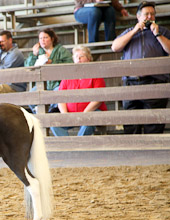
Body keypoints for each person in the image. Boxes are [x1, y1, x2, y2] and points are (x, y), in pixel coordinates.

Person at [111, 1, 170, 134]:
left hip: (155, 82)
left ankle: (152, 153)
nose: (149, 17)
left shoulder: (163, 31)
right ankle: (132, 153)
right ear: (138, 17)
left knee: (154, 125)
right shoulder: (129, 32)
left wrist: (158, 34)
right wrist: (135, 31)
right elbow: (115, 47)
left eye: (152, 14)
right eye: (146, 14)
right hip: (131, 83)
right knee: (131, 124)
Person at [51, 46, 108, 136]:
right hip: (70, 113)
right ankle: (67, 146)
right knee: (53, 122)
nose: (79, 58)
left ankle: (78, 145)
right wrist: (65, 114)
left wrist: (85, 113)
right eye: (76, 56)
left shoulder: (95, 75)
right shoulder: (68, 76)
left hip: (91, 111)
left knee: (89, 119)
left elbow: (98, 99)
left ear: (88, 59)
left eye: (82, 56)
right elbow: (61, 98)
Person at [25, 28, 73, 112]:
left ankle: (50, 112)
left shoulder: (61, 50)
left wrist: (52, 63)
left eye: (45, 37)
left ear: (52, 39)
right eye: (40, 38)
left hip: (58, 83)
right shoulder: (37, 52)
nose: (42, 40)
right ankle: (39, 116)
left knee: (57, 95)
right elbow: (28, 67)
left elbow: (70, 65)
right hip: (42, 84)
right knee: (30, 96)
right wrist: (33, 55)